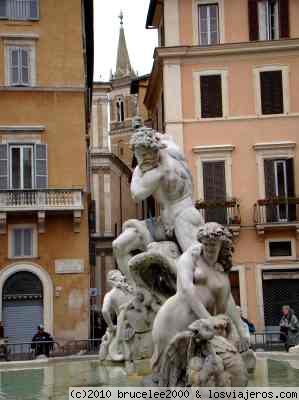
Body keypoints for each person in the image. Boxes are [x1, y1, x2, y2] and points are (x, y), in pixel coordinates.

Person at [151, 223, 249, 376]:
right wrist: (209, 320)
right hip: (173, 324)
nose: (209, 248)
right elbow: (187, 290)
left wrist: (241, 328)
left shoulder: (221, 266)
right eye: (206, 244)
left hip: (206, 329)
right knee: (168, 376)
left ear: (221, 244)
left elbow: (228, 297)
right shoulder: (190, 258)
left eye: (213, 245)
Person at [112, 127, 203, 283]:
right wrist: (146, 170)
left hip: (184, 216)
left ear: (155, 151)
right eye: (138, 157)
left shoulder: (170, 163)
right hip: (162, 222)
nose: (141, 162)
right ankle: (142, 291)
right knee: (119, 246)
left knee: (197, 267)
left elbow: (140, 192)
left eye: (145, 157)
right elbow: (135, 194)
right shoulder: (147, 166)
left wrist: (154, 172)